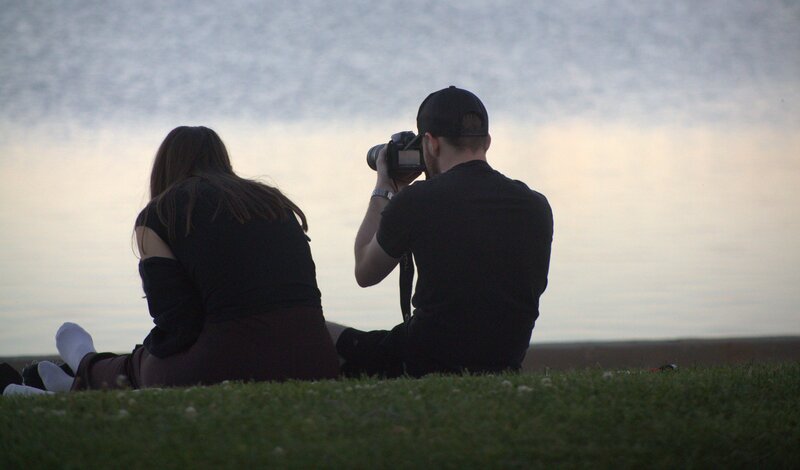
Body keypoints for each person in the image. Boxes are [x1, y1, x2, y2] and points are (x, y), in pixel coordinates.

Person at [3, 126, 339, 396]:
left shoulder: (159, 215)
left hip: (231, 364)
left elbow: (178, 328)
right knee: (155, 356)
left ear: (164, 168)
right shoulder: (273, 203)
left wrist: (148, 352)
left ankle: (84, 369)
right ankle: (79, 378)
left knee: (145, 366)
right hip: (314, 357)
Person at [328, 86, 553, 378]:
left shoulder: (417, 200)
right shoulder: (536, 204)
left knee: (314, 332)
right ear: (487, 141)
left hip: (424, 360)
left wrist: (385, 187)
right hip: (504, 361)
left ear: (431, 144)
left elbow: (365, 271)